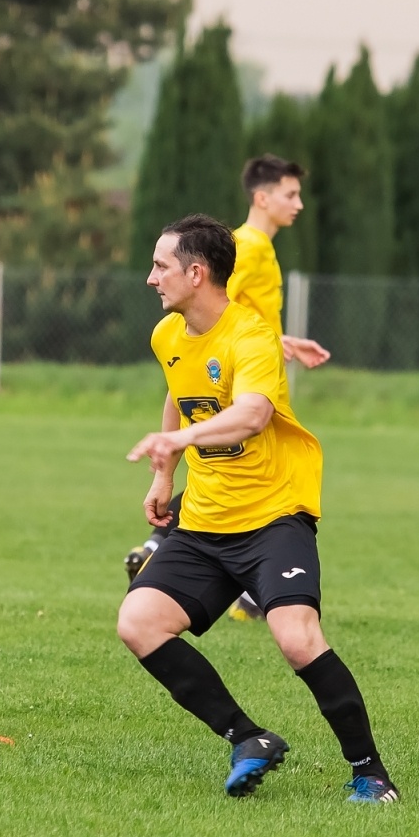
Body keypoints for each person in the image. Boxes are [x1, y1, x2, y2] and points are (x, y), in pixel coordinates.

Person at [117, 214, 398, 803]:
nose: (151, 279)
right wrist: (164, 473)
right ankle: (248, 738)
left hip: (274, 516)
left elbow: (252, 414)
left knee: (296, 637)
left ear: (196, 273)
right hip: (204, 520)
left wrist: (179, 443)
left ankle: (370, 772)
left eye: (160, 266)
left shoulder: (251, 336)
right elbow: (177, 395)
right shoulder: (167, 335)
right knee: (138, 622)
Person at [124, 155, 330, 622]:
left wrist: (281, 340)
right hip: (236, 383)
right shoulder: (251, 246)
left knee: (225, 469)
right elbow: (213, 313)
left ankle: (169, 552)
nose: (298, 204)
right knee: (243, 471)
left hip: (249, 370)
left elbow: (232, 316)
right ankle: (179, 556)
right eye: (290, 194)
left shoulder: (258, 246)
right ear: (262, 197)